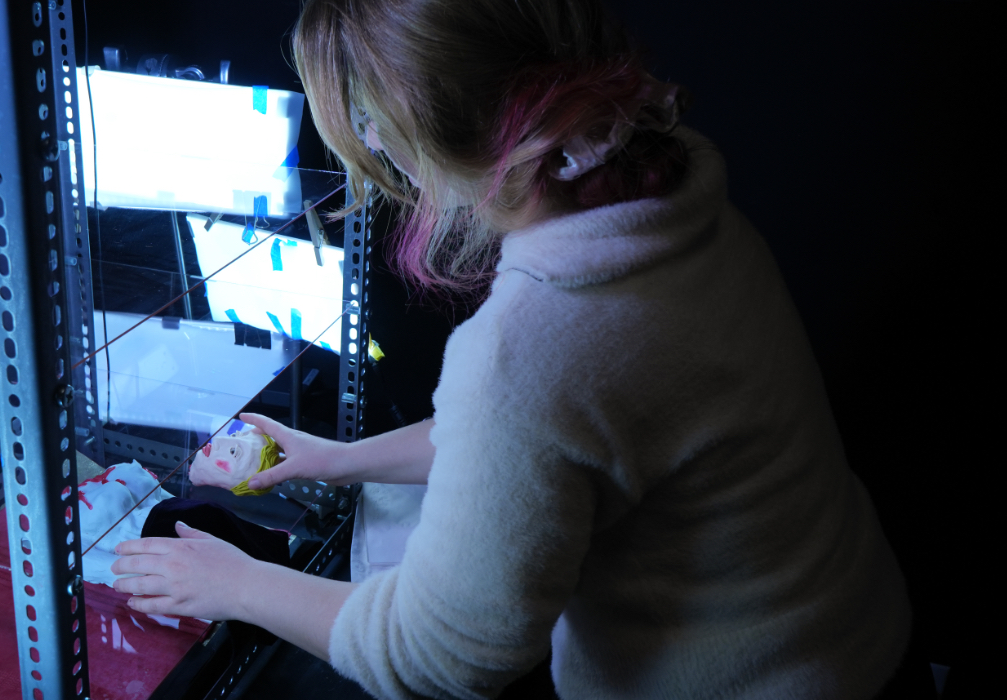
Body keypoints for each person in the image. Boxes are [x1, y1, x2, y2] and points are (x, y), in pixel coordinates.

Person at [111, 0, 913, 697]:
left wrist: (235, 582)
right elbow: (555, 437)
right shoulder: (675, 207)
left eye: (374, 132)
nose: (377, 155)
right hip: (861, 640)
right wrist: (329, 459)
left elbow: (437, 657)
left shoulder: (531, 346)